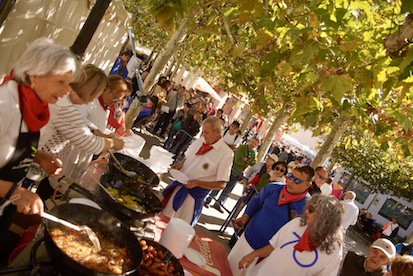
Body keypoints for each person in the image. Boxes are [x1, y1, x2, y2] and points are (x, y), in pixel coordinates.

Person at [0, 38, 77, 228]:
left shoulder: (35, 105)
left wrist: (38, 156)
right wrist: (16, 193)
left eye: (69, 84)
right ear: (35, 75)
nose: (67, 91)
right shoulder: (5, 104)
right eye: (61, 82)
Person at [30, 64, 125, 200]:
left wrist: (97, 132)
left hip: (38, 158)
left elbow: (80, 121)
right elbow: (90, 143)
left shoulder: (67, 103)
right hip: (30, 161)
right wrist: (114, 142)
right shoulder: (65, 106)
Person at [228, 165, 315, 276]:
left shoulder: (308, 208)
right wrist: (245, 217)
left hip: (268, 257)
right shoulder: (273, 188)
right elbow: (256, 202)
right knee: (228, 270)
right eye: (290, 176)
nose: (291, 181)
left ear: (308, 185)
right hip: (246, 240)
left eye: (297, 180)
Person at [239, 194, 344, 276]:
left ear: (324, 217)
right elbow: (273, 245)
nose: (306, 211)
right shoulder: (297, 223)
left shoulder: (334, 250)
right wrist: (254, 254)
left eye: (312, 209)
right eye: (309, 206)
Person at [161, 116, 233, 226]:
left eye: (206, 132)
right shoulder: (200, 141)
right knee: (162, 219)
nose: (203, 135)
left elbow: (221, 184)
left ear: (217, 132)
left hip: (192, 199)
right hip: (179, 187)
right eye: (202, 132)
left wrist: (197, 183)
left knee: (177, 229)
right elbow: (188, 156)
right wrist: (181, 164)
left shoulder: (226, 154)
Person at [206, 137, 259, 212]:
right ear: (249, 141)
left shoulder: (253, 153)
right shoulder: (242, 148)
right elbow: (237, 159)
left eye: (255, 144)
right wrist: (247, 161)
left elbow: (253, 163)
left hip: (238, 174)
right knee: (220, 184)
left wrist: (246, 160)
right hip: (231, 169)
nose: (252, 144)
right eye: (252, 142)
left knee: (228, 190)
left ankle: (219, 203)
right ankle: (209, 199)